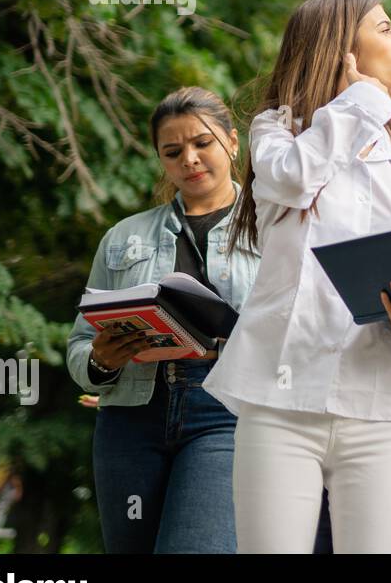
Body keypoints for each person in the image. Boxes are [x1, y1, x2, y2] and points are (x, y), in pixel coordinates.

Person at [204, 0, 391, 553]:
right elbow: (295, 180)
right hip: (279, 401)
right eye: (387, 29)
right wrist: (359, 101)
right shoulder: (276, 131)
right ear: (343, 47)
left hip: (378, 403)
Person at [66, 87, 258, 553]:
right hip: (130, 417)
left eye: (202, 143)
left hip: (226, 413)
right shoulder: (123, 236)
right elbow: (79, 345)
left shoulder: (272, 226)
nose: (189, 159)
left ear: (233, 143)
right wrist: (101, 362)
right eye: (172, 151)